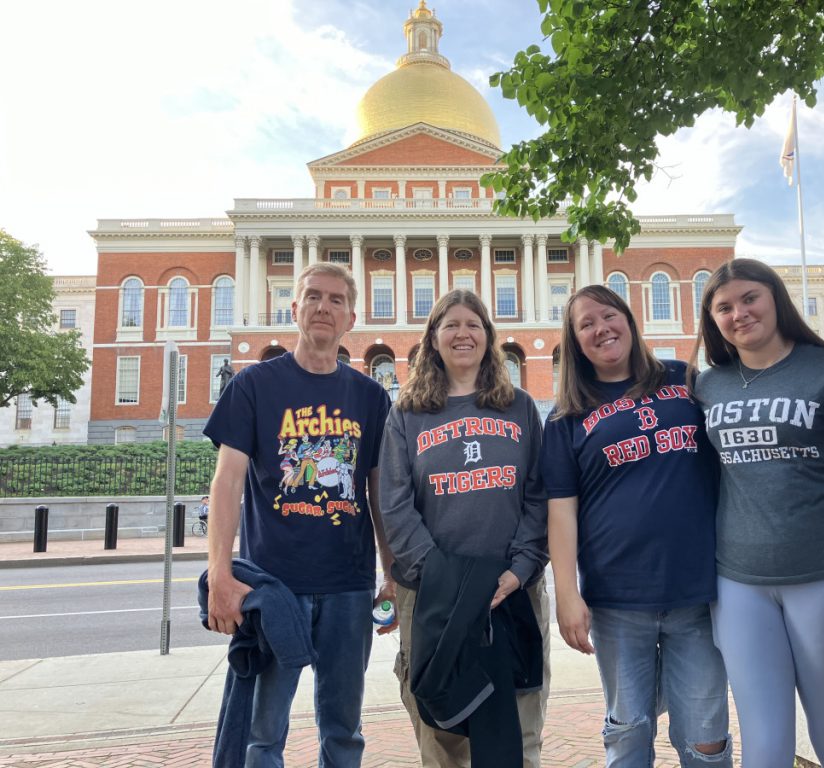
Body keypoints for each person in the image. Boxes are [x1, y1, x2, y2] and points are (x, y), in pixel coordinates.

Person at [689, 258, 824, 768]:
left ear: (775, 298)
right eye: (724, 307)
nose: (739, 314)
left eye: (750, 298)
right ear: (713, 320)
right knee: (766, 744)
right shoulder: (709, 386)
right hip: (738, 585)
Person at [203, 262, 396, 767]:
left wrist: (391, 572)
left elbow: (378, 492)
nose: (323, 307)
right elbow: (227, 481)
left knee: (343, 729)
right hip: (273, 587)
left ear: (351, 317)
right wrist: (221, 573)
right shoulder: (254, 386)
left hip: (348, 586)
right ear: (295, 309)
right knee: (262, 734)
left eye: (335, 300)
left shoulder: (370, 397)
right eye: (312, 296)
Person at [542, 284, 731, 767]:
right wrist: (567, 594)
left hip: (697, 592)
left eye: (608, 316)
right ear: (575, 340)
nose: (601, 329)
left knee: (706, 737)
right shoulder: (567, 416)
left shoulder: (683, 380)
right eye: (586, 324)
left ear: (628, 318)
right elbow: (561, 510)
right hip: (617, 598)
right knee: (628, 733)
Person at [378, 288, 549, 768]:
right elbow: (393, 501)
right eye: (450, 324)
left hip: (513, 591)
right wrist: (442, 577)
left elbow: (539, 493)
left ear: (488, 337)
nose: (462, 333)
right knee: (442, 731)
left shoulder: (518, 406)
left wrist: (520, 567)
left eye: (473, 324)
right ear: (432, 338)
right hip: (433, 594)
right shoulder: (407, 414)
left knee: (518, 730)